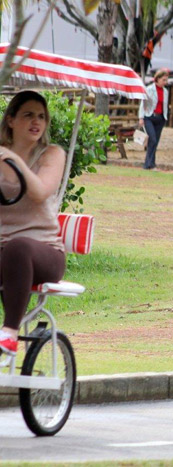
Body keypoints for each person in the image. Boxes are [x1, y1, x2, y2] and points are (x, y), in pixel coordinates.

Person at [0, 91, 66, 355]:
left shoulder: (52, 154)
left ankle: (9, 333)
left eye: (41, 116)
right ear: (11, 120)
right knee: (10, 249)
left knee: (18, 248)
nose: (36, 121)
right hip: (4, 250)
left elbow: (39, 191)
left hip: (44, 252)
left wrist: (13, 159)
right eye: (28, 115)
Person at [138, 68, 169, 170]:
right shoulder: (150, 89)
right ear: (158, 79)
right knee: (152, 139)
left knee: (155, 142)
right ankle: (148, 164)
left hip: (160, 117)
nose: (165, 82)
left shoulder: (165, 91)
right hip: (150, 116)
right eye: (163, 80)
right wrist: (141, 117)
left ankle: (151, 164)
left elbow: (164, 105)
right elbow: (144, 103)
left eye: (166, 80)